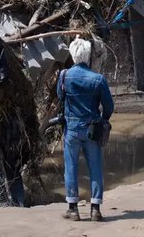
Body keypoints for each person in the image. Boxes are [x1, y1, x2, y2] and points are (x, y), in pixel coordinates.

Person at [58, 37, 114, 222]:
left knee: (71, 167)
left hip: (72, 129)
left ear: (73, 55)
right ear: (88, 56)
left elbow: (60, 97)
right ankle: (95, 209)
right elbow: (109, 107)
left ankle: (73, 209)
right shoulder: (98, 79)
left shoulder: (64, 75)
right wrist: (103, 121)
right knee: (95, 167)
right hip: (92, 128)